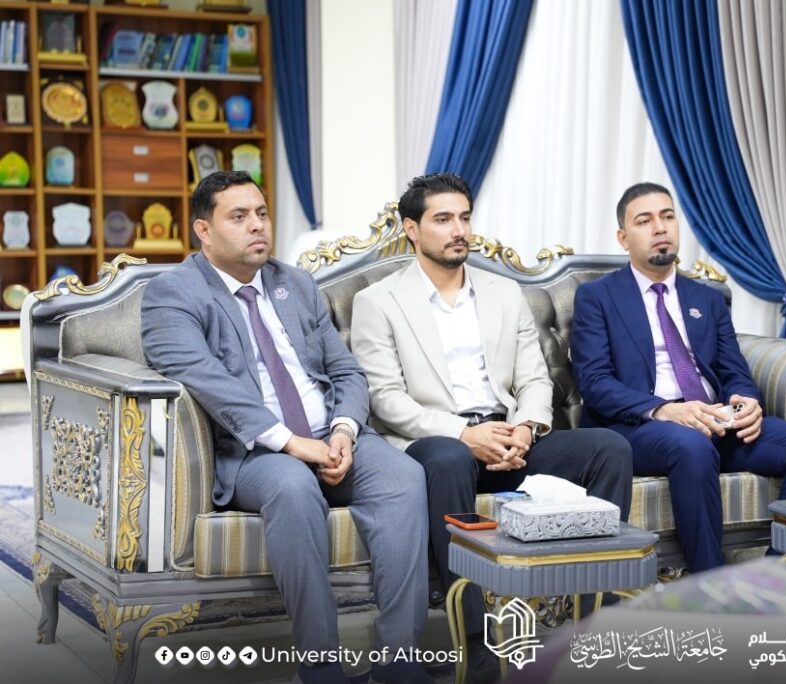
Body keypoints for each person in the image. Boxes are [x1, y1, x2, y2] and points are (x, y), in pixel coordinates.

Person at [141, 171, 430, 684]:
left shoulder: (294, 283)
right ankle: (320, 667)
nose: (258, 225)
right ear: (203, 230)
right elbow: (206, 380)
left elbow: (345, 371)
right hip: (255, 454)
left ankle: (399, 663)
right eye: (239, 216)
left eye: (262, 213)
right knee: (294, 487)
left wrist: (343, 432)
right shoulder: (172, 293)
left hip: (331, 436)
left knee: (404, 477)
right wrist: (292, 443)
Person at [350, 172, 634, 684]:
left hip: (508, 439)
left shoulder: (504, 293)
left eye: (464, 218)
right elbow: (385, 400)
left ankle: (593, 624)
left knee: (609, 448)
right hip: (437, 443)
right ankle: (476, 642)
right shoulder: (379, 301)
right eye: (443, 220)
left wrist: (526, 428)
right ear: (411, 229)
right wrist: (464, 433)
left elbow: (534, 378)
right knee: (448, 458)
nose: (459, 230)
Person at [569, 181, 786, 574]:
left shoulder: (706, 298)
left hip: (714, 422)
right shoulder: (597, 297)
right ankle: (710, 587)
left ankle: (782, 583)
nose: (660, 227)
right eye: (644, 221)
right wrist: (664, 410)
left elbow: (733, 370)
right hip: (638, 429)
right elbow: (595, 382)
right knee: (691, 444)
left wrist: (746, 401)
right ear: (623, 238)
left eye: (667, 216)